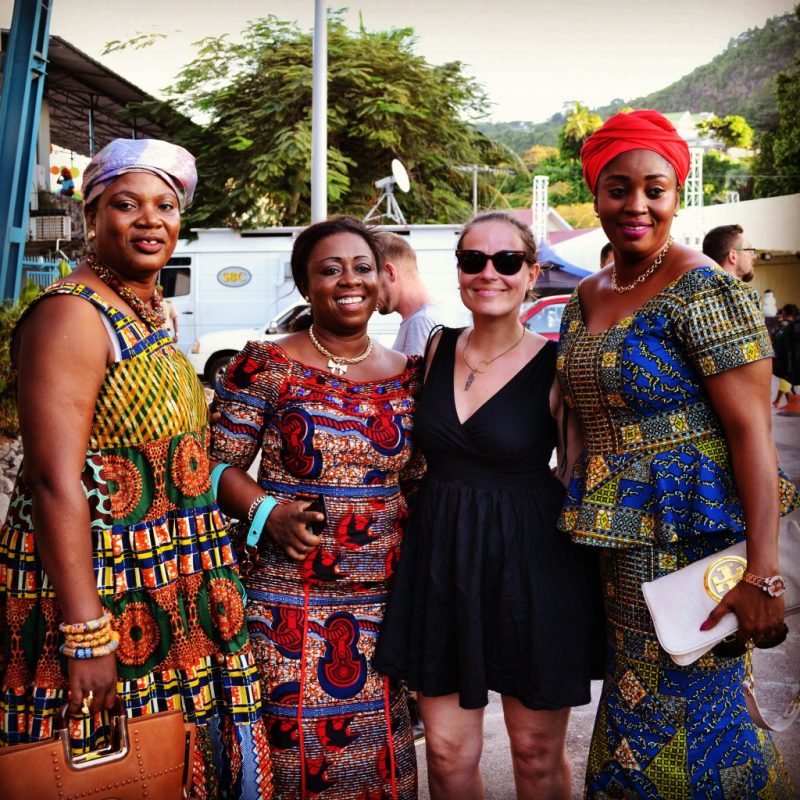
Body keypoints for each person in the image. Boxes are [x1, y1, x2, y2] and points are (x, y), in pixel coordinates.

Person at [0, 138, 272, 799]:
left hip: (179, 581)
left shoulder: (146, 312)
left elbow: (177, 462)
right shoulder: (72, 313)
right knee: (106, 769)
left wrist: (261, 509)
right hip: (103, 590)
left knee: (179, 761)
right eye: (127, 204)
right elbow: (53, 480)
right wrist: (86, 634)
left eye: (166, 205)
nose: (150, 220)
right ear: (91, 216)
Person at [559, 109, 796, 798]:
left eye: (654, 189)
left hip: (695, 546)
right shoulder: (584, 296)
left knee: (704, 720)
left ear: (675, 196)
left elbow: (753, 431)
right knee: (634, 709)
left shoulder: (703, 287)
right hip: (618, 546)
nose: (636, 204)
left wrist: (765, 574)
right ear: (596, 194)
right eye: (618, 187)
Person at [375, 210, 598, 800]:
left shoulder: (560, 366)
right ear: (459, 272)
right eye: (474, 260)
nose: (489, 273)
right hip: (441, 560)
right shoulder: (433, 350)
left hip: (534, 563)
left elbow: (578, 474)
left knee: (534, 752)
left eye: (507, 261)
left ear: (531, 274)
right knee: (447, 755)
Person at [210, 217, 422, 799]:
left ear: (382, 281)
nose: (348, 281)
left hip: (382, 609)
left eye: (361, 268)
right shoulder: (265, 364)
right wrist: (266, 513)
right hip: (286, 609)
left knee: (380, 770)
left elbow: (420, 482)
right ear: (306, 287)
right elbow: (210, 467)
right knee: (289, 769)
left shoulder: (411, 376)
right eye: (329, 270)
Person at [376, 231, 447, 356]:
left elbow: (417, 376)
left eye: (372, 280)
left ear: (390, 273)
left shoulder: (421, 321)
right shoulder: (420, 319)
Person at [773, 303, 799, 408]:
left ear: (786, 312)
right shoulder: (793, 326)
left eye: (783, 311)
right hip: (790, 361)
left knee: (786, 381)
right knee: (786, 382)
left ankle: (790, 403)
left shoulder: (784, 326)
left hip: (784, 360)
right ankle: (790, 403)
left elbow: (777, 341)